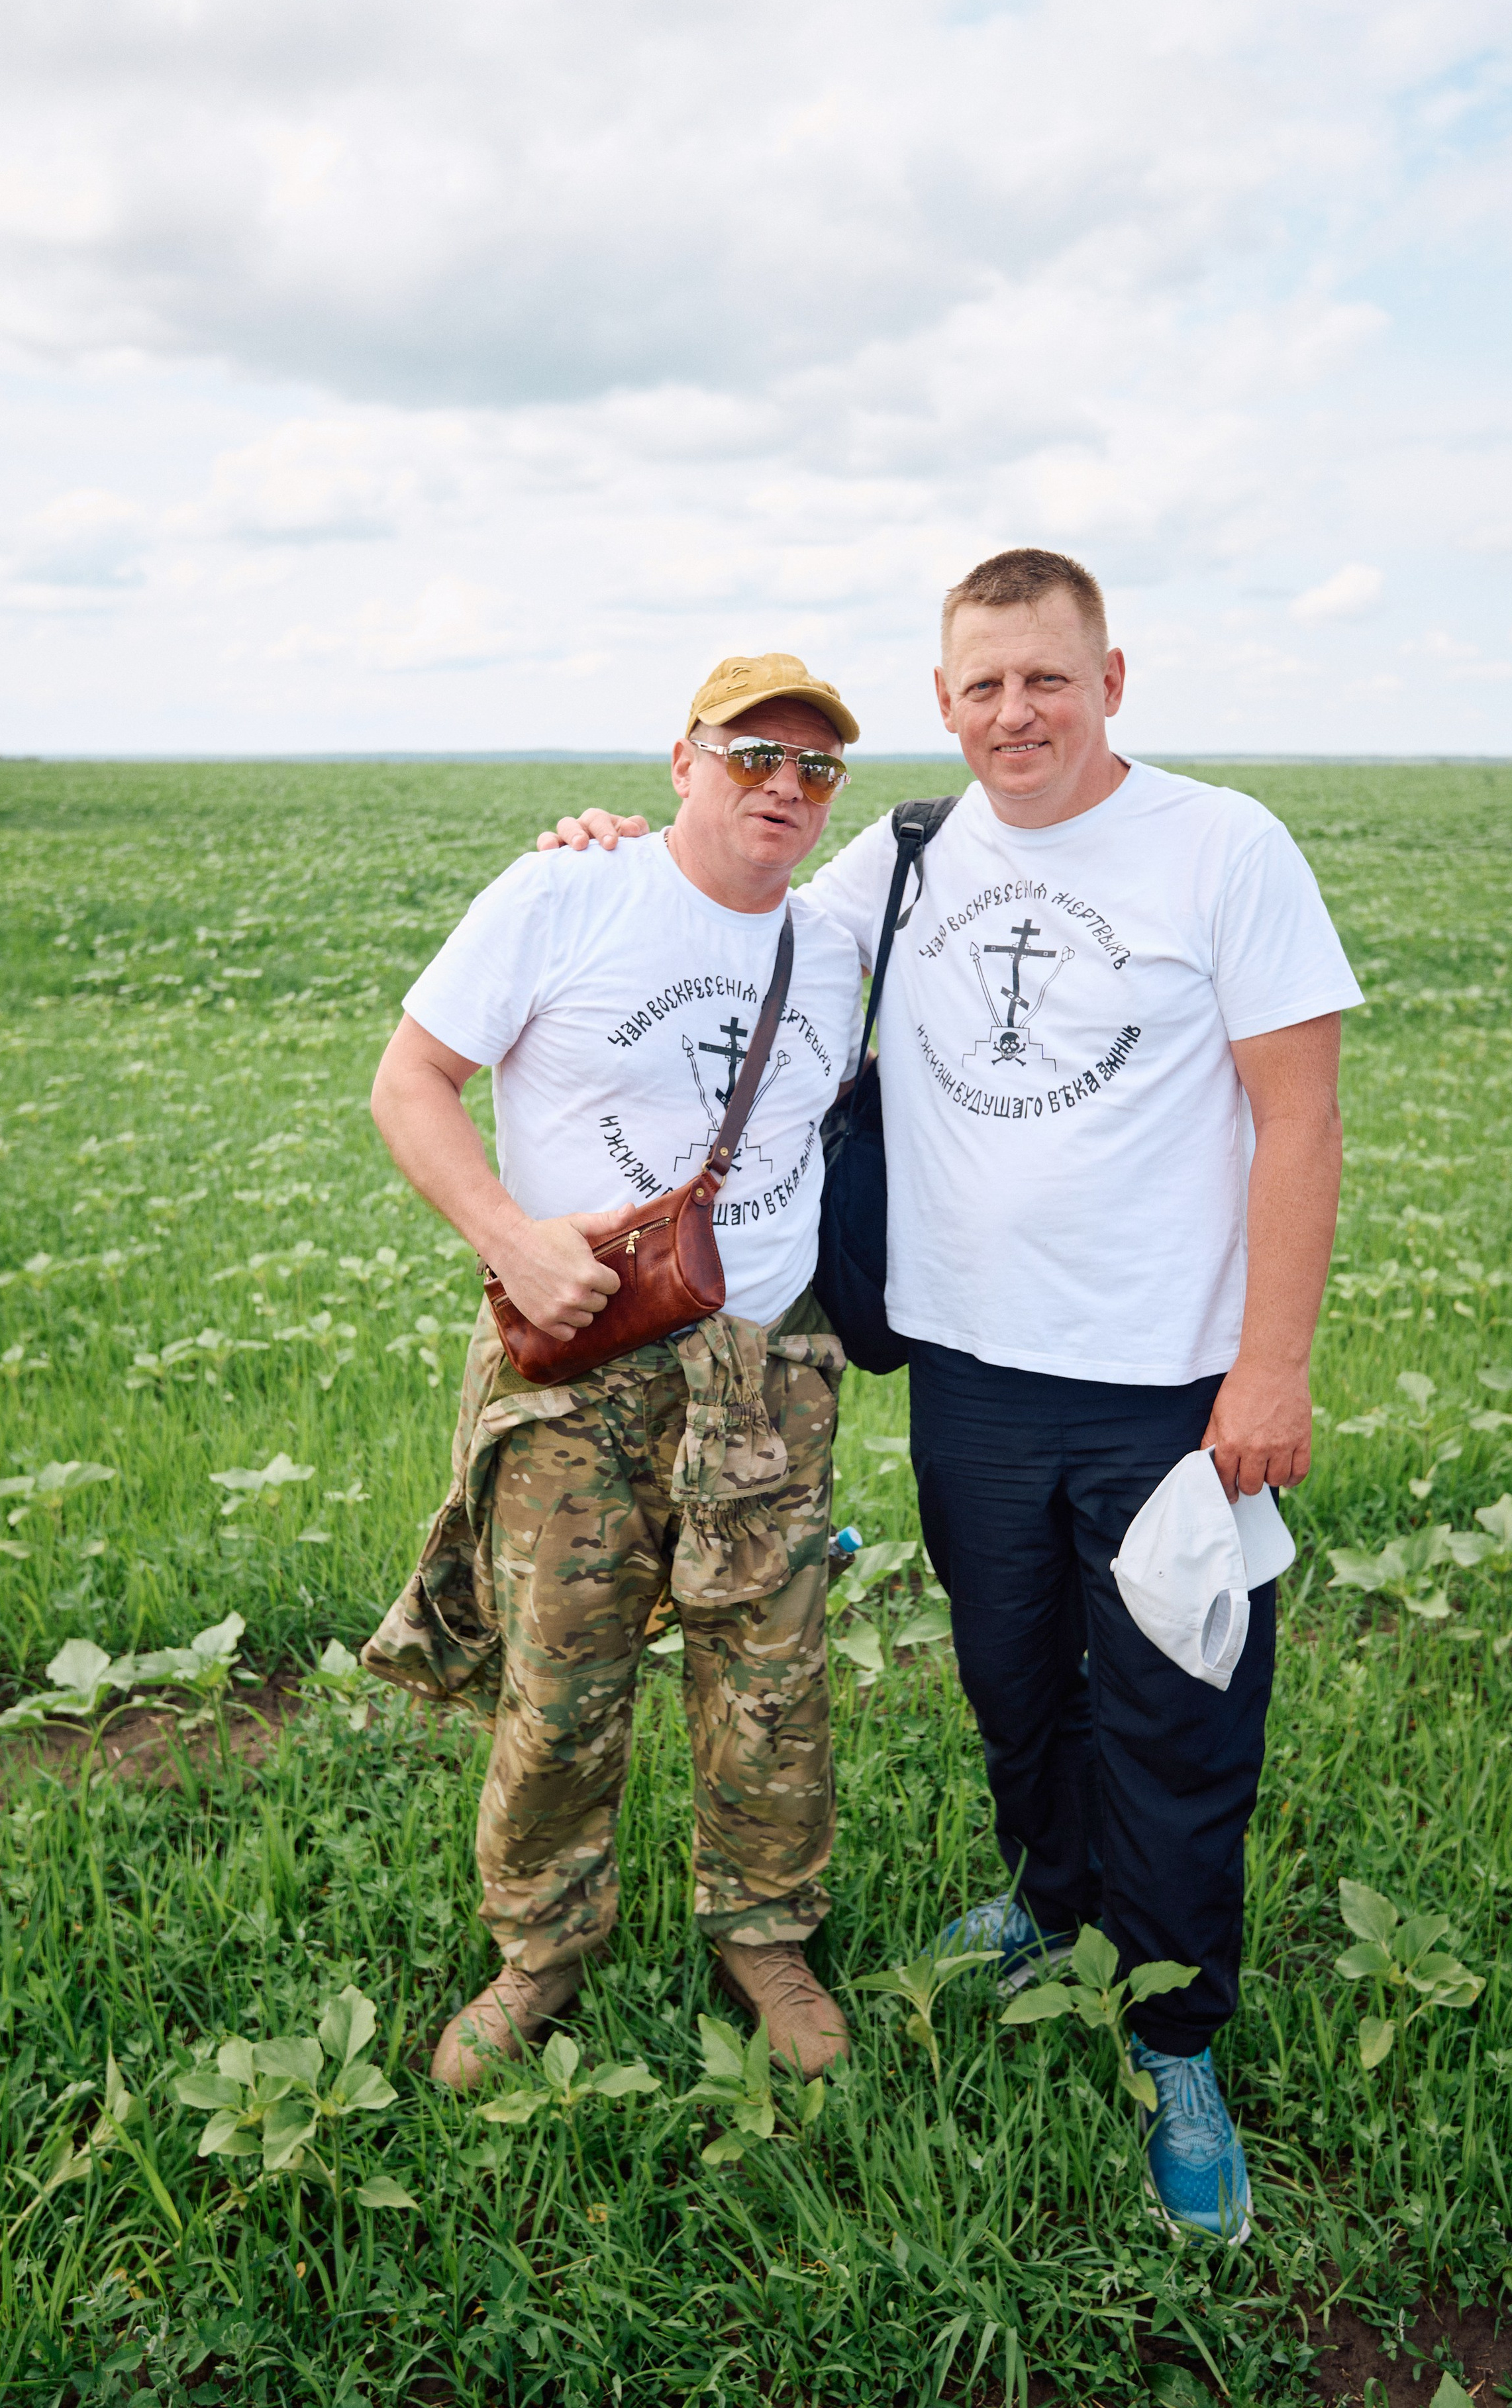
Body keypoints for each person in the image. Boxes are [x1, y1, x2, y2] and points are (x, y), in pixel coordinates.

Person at [538, 550, 1362, 2238]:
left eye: (1045, 678)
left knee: (1176, 1713)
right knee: (1012, 1685)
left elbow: (1299, 1117)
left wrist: (1268, 1366)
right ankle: (1050, 1903)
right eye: (981, 685)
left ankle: (1172, 2036)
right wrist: (609, 855)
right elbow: (731, 912)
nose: (1014, 713)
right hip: (970, 1377)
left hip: (1167, 1388)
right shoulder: (902, 859)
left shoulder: (1222, 847)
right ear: (942, 703)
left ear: (1111, 680)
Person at [366, 653, 866, 2088]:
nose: (780, 785)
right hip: (579, 1355)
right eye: (750, 753)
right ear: (680, 760)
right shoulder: (564, 893)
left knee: (765, 1668)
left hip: (764, 1368)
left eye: (812, 766)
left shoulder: (830, 942)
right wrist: (508, 1238)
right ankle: (538, 1951)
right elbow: (409, 1081)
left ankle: (763, 1933)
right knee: (562, 1669)